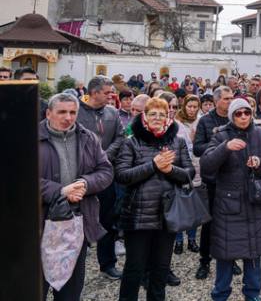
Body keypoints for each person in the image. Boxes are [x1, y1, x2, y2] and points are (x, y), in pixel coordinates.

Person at [201, 97, 261, 301]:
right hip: (229, 203)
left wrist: (260, 163)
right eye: (238, 113)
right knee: (225, 253)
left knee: (254, 252)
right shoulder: (221, 135)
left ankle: (252, 293)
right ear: (231, 115)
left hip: (256, 201)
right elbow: (206, 166)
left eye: (247, 112)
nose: (244, 116)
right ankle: (220, 293)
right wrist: (226, 147)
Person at [115, 97, 194, 301]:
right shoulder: (131, 142)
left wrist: (170, 170)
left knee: (160, 269)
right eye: (152, 114)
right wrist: (153, 165)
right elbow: (122, 175)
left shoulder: (178, 142)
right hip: (139, 216)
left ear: (168, 116)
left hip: (168, 215)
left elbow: (189, 173)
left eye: (162, 113)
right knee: (134, 268)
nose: (157, 118)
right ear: (144, 117)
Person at [39, 93, 114, 301]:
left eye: (73, 112)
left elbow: (106, 171)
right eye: (62, 112)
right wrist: (60, 191)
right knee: (36, 288)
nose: (68, 117)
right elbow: (20, 177)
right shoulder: (31, 138)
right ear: (48, 113)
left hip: (76, 224)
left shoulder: (88, 137)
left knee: (70, 291)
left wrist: (85, 183)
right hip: (41, 224)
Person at [76, 75, 125, 280]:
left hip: (106, 175)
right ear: (94, 93)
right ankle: (75, 265)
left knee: (107, 220)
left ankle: (107, 263)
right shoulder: (75, 112)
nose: (110, 96)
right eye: (106, 93)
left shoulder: (112, 113)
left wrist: (105, 155)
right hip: (81, 176)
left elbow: (120, 137)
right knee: (78, 221)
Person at [192, 86, 235, 281]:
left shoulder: (236, 118)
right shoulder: (205, 121)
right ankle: (205, 261)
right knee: (209, 223)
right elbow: (198, 148)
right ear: (217, 100)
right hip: (212, 179)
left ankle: (231, 258)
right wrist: (220, 147)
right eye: (226, 99)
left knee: (232, 221)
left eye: (231, 98)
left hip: (233, 177)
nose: (230, 101)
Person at [174, 95, 203, 254]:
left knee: (194, 206)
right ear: (184, 106)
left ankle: (192, 239)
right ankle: (178, 240)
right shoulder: (177, 122)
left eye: (195, 107)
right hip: (182, 165)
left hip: (197, 165)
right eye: (189, 106)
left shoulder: (201, 121)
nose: (192, 110)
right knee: (180, 205)